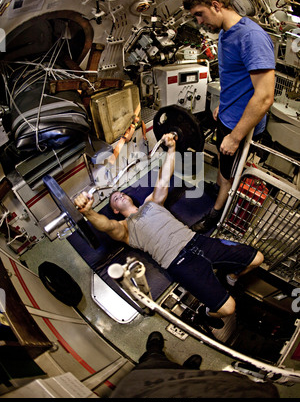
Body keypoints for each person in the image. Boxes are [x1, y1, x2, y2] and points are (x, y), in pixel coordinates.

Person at [74, 133, 263, 327]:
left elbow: (165, 176)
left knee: (258, 258)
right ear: (115, 210)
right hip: (179, 262)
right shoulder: (125, 228)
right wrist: (88, 212)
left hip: (197, 241)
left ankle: (231, 277)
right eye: (115, 198)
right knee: (227, 309)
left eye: (121, 193)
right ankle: (206, 312)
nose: (120, 195)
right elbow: (106, 225)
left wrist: (171, 148)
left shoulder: (152, 202)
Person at [182, 0, 275, 233]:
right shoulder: (225, 32)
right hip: (228, 115)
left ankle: (216, 214)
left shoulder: (251, 37)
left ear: (216, 5)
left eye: (200, 14)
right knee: (225, 168)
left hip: (240, 126)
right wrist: (223, 104)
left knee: (229, 172)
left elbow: (265, 96)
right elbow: (234, 76)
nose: (200, 22)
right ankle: (222, 189)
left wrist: (235, 137)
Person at [110, 331, 279, 398]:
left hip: (149, 385)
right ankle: (189, 371)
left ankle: (154, 351)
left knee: (153, 361)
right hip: (215, 388)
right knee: (190, 375)